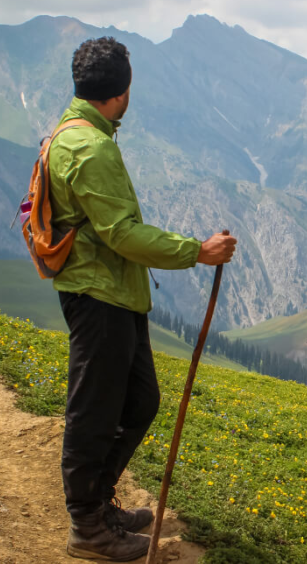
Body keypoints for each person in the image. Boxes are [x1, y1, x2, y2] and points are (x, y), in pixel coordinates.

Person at [48, 36, 237, 561]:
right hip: (100, 293)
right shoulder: (91, 148)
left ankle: (97, 502)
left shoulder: (81, 133)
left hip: (114, 292)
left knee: (137, 401)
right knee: (94, 408)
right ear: (123, 92)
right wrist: (197, 251)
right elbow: (123, 233)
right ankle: (87, 525)